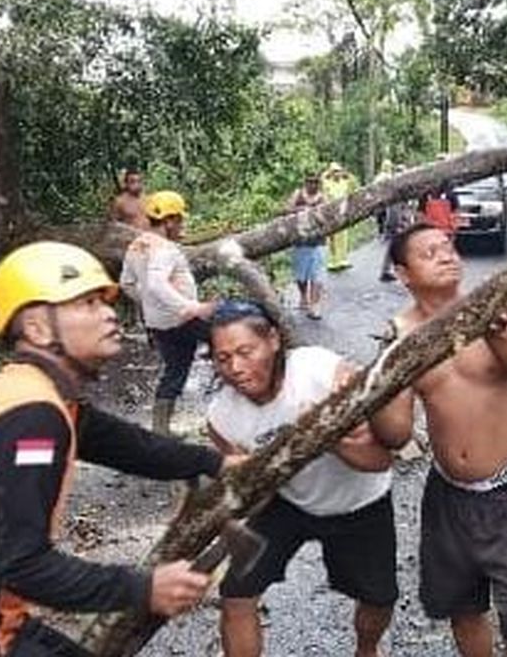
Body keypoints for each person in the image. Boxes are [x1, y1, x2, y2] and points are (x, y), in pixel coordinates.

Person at [0, 241, 242, 657]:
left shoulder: (47, 398)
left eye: (105, 301)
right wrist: (144, 588)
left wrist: (216, 462)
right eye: (87, 303)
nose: (108, 312)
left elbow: (131, 446)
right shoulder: (31, 416)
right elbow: (23, 565)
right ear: (37, 329)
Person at [371, 223, 507, 657]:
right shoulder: (399, 336)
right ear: (402, 273)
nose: (447, 255)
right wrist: (390, 377)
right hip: (449, 496)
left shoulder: (495, 308)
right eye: (430, 253)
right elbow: (394, 434)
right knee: (463, 610)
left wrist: (494, 329)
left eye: (448, 247)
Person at [205, 300, 398, 657]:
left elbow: (380, 460)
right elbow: (243, 483)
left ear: (274, 340)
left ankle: (367, 649)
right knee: (235, 596)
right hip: (288, 502)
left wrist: (330, 436)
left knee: (379, 598)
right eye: (223, 358)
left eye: (246, 351)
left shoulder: (318, 370)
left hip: (359, 501)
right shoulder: (222, 415)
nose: (235, 367)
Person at [119, 190, 216, 434]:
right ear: (169, 220)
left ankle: (160, 431)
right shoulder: (166, 249)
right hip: (184, 318)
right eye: (180, 219)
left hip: (158, 323)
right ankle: (231, 413)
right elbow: (156, 282)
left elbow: (126, 283)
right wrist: (189, 307)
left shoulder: (137, 245)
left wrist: (150, 305)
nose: (182, 224)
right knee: (230, 339)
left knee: (175, 371)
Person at [285, 172, 327, 320]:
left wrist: (316, 214)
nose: (313, 185)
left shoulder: (322, 197)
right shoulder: (298, 194)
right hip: (300, 242)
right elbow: (287, 209)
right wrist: (302, 209)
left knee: (318, 276)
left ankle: (314, 306)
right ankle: (303, 296)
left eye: (315, 182)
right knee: (301, 275)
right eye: (310, 182)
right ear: (305, 182)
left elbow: (325, 219)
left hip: (318, 242)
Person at [321, 161, 356, 271]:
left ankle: (343, 260)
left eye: (339, 171)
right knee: (332, 239)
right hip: (331, 213)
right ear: (331, 172)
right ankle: (333, 262)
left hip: (343, 212)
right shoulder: (327, 183)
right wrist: (328, 172)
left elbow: (353, 186)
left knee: (343, 237)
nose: (337, 174)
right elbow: (322, 182)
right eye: (335, 172)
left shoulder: (344, 182)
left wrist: (347, 174)